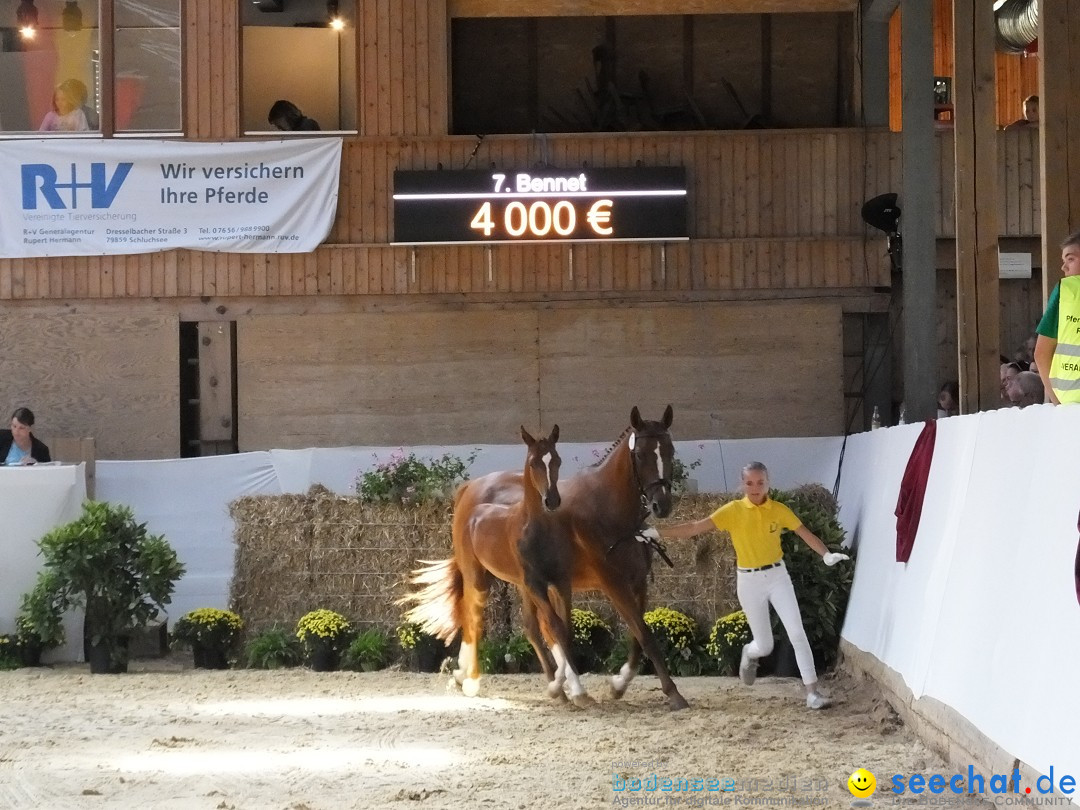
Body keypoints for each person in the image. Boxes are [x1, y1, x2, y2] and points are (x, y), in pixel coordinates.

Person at [642, 461, 849, 710]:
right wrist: (658, 533)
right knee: (765, 645)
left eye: (760, 482)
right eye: (750, 483)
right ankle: (750, 653)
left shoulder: (779, 510)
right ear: (742, 484)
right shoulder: (732, 511)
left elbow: (803, 532)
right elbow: (695, 527)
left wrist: (826, 555)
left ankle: (812, 693)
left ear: (768, 483)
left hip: (777, 576)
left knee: (796, 632)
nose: (755, 487)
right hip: (748, 581)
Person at [1034, 231, 1080, 404]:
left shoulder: (1067, 291)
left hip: (1073, 403)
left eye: (1070, 259)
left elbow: (1041, 353)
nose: (1064, 267)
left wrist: (1057, 402)